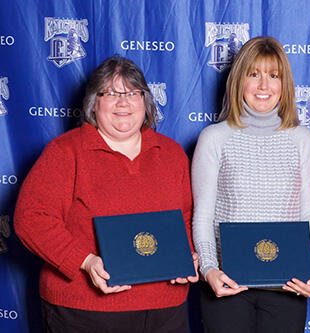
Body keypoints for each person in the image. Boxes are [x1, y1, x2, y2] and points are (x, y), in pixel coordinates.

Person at [14, 55, 198, 333]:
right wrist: (84, 261)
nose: (123, 102)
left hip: (164, 309)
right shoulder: (65, 152)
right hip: (85, 311)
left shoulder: (172, 154)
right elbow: (31, 219)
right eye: (110, 93)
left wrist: (189, 255)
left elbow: (184, 218)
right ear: (93, 103)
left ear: (146, 102)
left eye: (132, 93)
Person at [191, 36, 310, 333]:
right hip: (227, 285)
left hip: (288, 284)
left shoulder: (302, 139)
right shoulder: (215, 138)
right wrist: (209, 270)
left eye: (273, 76)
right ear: (240, 80)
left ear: (284, 84)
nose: (264, 86)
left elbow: (308, 216)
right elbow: (203, 216)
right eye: (254, 74)